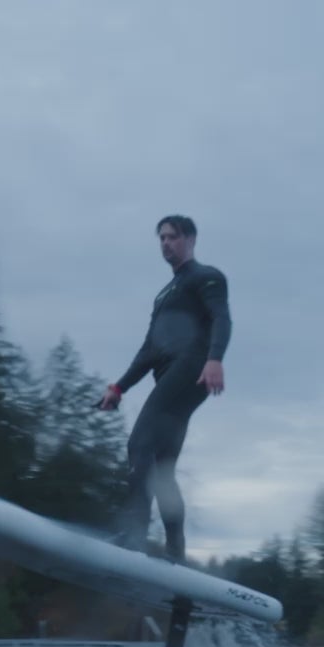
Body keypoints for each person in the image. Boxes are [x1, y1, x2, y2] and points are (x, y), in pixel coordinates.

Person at [97, 214, 230, 563]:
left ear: (190, 239)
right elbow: (149, 350)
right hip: (173, 378)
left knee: (139, 443)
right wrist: (119, 388)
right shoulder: (163, 296)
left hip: (192, 369)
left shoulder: (207, 277)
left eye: (172, 237)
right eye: (162, 238)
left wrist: (215, 359)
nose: (166, 243)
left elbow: (221, 318)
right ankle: (175, 552)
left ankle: (134, 535)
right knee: (163, 468)